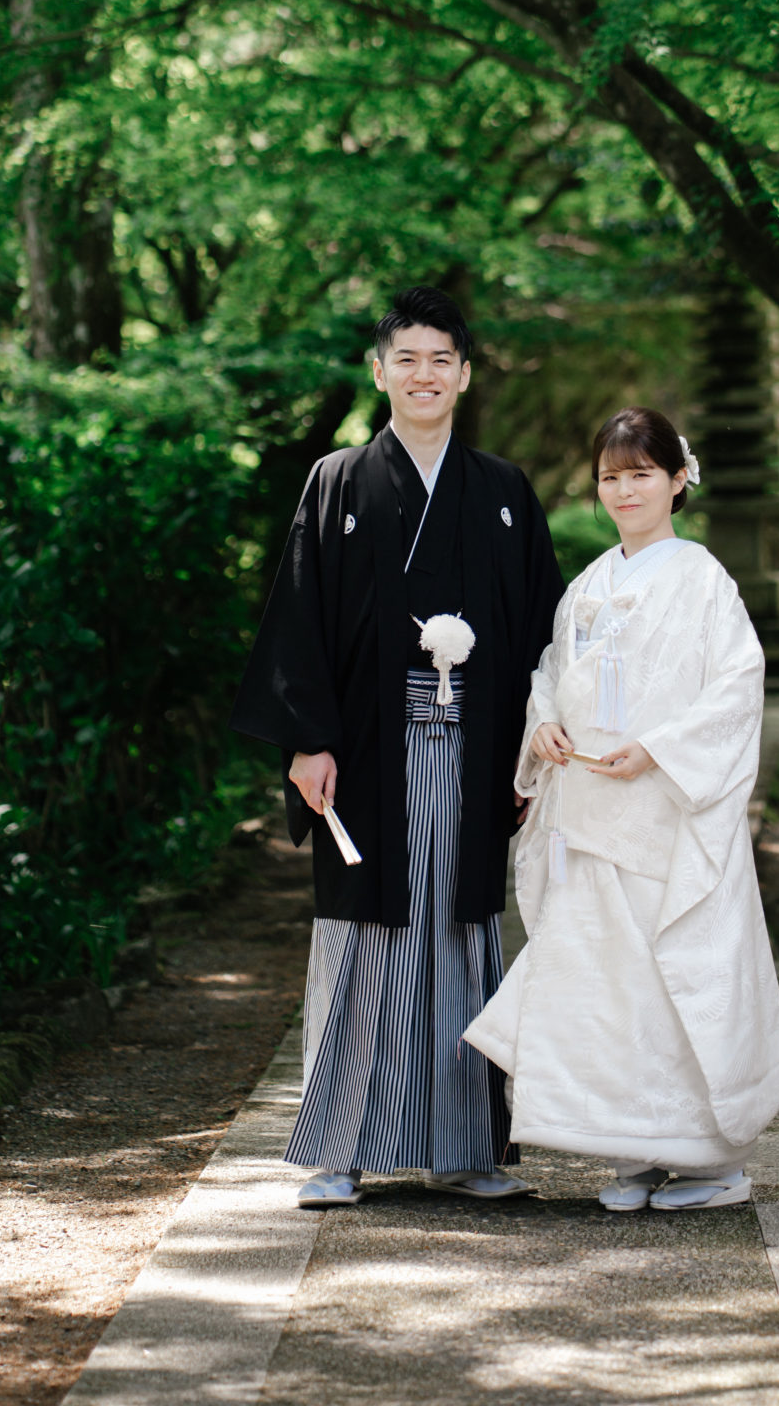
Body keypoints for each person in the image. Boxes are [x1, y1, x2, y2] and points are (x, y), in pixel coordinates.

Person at [232, 287, 563, 1205]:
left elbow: (542, 628)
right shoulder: (336, 481)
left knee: (462, 931)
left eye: (441, 359)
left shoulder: (501, 492)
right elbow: (299, 616)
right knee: (360, 932)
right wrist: (306, 740)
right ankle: (338, 1147)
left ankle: (464, 1149)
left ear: (464, 373)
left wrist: (534, 749)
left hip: (475, 743)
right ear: (379, 373)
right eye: (405, 359)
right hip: (367, 747)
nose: (424, 375)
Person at [464, 406, 779, 1212]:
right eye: (611, 477)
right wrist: (542, 723)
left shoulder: (702, 578)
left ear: (678, 480)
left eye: (641, 474)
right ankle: (633, 1154)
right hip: (587, 804)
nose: (625, 490)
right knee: (602, 985)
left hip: (660, 808)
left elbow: (733, 688)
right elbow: (550, 671)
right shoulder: (588, 582)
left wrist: (657, 750)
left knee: (668, 977)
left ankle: (711, 1162)